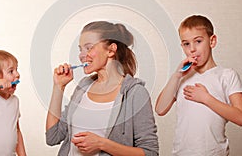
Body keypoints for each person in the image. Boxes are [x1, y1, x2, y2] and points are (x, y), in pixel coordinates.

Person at [46, 21, 159, 156]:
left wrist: (102, 144)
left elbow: (150, 152)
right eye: (80, 49)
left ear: (111, 50)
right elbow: (52, 137)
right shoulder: (83, 88)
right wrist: (59, 86)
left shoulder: (135, 93)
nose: (82, 55)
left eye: (89, 48)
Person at [155, 15, 242, 156]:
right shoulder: (181, 78)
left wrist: (206, 98)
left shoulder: (226, 75)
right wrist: (176, 76)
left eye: (198, 41)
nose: (192, 49)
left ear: (212, 41)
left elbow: (240, 117)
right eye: (186, 44)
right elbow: (160, 109)